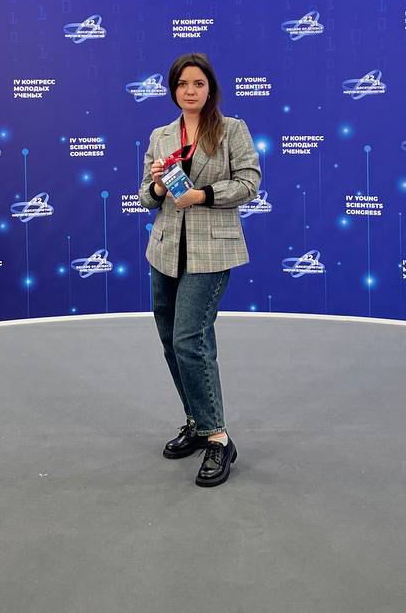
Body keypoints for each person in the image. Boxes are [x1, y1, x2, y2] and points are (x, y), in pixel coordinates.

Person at [138, 52, 261, 487]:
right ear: (173, 90)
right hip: (165, 251)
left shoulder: (231, 130)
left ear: (210, 89)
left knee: (189, 339)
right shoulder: (161, 135)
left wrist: (203, 195)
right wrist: (158, 185)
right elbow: (145, 197)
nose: (189, 91)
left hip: (211, 253)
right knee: (172, 342)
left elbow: (249, 182)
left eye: (198, 83)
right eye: (182, 84)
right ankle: (196, 421)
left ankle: (218, 438)